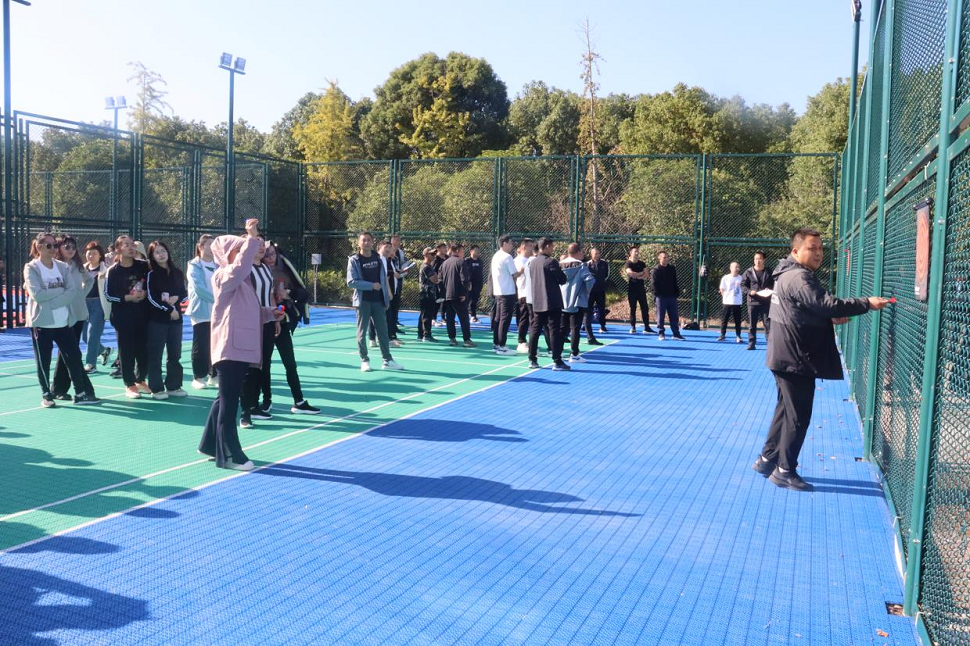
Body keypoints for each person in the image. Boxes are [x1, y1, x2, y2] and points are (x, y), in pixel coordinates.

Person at [752, 227, 891, 491]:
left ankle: (767, 459)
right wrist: (866, 303)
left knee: (785, 410)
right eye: (811, 248)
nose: (818, 253)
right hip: (794, 358)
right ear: (796, 251)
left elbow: (800, 309)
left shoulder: (787, 273)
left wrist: (826, 318)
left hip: (785, 355)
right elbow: (826, 304)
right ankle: (784, 470)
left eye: (820, 248)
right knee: (797, 417)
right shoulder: (799, 276)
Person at [198, 219, 285, 471]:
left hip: (239, 347)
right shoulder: (223, 276)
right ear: (227, 254)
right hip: (229, 347)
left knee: (224, 398)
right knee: (229, 402)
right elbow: (239, 267)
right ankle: (230, 455)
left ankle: (209, 444)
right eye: (238, 249)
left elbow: (249, 310)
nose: (243, 253)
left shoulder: (242, 281)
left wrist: (269, 313)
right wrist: (251, 237)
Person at [23, 232, 100, 407]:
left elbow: (72, 291)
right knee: (43, 360)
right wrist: (60, 293)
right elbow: (37, 294)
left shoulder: (62, 267)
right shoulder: (31, 267)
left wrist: (52, 300)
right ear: (39, 247)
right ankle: (46, 394)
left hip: (64, 322)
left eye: (55, 245)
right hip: (42, 322)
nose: (53, 249)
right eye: (49, 245)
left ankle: (80, 394)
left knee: (73, 357)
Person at [262, 241, 320, 415]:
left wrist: (287, 294)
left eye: (273, 254)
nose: (270, 257)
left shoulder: (284, 271)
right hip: (263, 324)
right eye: (266, 254)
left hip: (282, 323)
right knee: (264, 365)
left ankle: (299, 401)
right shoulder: (256, 272)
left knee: (290, 364)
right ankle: (266, 401)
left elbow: (303, 293)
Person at [346, 231, 404, 372]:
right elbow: (351, 282)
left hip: (378, 301)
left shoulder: (378, 258)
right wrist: (370, 286)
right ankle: (364, 360)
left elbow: (383, 278)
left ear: (373, 242)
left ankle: (387, 360)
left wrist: (386, 297)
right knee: (362, 333)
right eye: (363, 240)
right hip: (363, 302)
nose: (366, 242)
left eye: (369, 240)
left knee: (383, 332)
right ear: (359, 243)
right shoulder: (354, 260)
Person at [50, 235, 96, 400]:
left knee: (68, 352)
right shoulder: (53, 266)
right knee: (70, 352)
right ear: (59, 248)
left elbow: (89, 281)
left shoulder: (77, 265)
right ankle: (81, 390)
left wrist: (80, 295)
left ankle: (58, 389)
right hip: (61, 313)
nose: (71, 250)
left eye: (73, 247)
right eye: (67, 246)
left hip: (77, 313)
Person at [104, 235, 151, 399]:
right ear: (118, 249)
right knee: (127, 352)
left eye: (132, 244)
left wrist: (146, 293)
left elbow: (153, 285)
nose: (131, 247)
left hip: (143, 316)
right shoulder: (113, 271)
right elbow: (108, 295)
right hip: (122, 318)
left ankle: (141, 380)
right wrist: (128, 298)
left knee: (144, 351)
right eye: (126, 245)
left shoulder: (143, 266)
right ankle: (130, 384)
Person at [239, 237, 279, 428]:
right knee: (250, 367)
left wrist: (274, 317)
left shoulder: (265, 269)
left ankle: (254, 406)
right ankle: (245, 412)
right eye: (258, 244)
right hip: (250, 323)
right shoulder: (244, 270)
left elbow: (270, 294)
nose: (262, 247)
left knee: (262, 366)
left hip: (266, 321)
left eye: (263, 244)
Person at [146, 240, 188, 400]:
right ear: (152, 257)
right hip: (157, 321)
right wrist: (169, 309)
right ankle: (156, 388)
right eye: (156, 252)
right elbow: (152, 298)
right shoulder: (152, 275)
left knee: (175, 354)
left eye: (163, 251)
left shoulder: (177, 272)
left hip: (176, 321)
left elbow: (184, 293)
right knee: (155, 355)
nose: (161, 254)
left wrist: (177, 298)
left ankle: (173, 386)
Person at [528, 237, 568, 371]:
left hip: (537, 301)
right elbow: (562, 279)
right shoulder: (551, 261)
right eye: (551, 246)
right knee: (554, 330)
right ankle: (557, 361)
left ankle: (532, 359)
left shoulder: (532, 262)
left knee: (535, 330)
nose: (553, 249)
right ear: (546, 246)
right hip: (552, 302)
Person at [187, 234, 219, 389]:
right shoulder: (194, 265)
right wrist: (219, 299)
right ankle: (198, 377)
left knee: (216, 345)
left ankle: (214, 375)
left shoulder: (219, 265)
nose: (213, 248)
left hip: (218, 312)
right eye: (210, 245)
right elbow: (199, 288)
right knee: (201, 345)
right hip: (200, 311)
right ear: (200, 247)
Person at [560, 242, 598, 362]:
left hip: (562, 301)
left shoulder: (560, 264)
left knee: (562, 328)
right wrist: (586, 293)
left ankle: (558, 352)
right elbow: (590, 280)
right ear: (577, 252)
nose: (583, 254)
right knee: (575, 328)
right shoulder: (581, 265)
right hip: (577, 301)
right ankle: (574, 354)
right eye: (581, 251)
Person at [80, 242, 112, 372]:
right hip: (84, 305)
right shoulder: (81, 269)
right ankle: (104, 350)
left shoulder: (106, 270)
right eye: (89, 253)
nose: (91, 256)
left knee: (92, 334)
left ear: (100, 255)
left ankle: (91, 364)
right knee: (85, 337)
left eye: (94, 253)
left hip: (99, 305)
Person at [489, 235, 522, 354]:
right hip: (507, 292)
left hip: (498, 292)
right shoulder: (507, 257)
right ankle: (502, 346)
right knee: (505, 319)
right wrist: (522, 271)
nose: (512, 245)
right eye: (510, 243)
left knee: (498, 319)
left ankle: (496, 344)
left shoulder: (496, 256)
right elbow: (514, 274)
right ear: (504, 243)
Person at [439, 243, 476, 347]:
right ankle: (467, 340)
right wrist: (464, 293)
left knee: (450, 318)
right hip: (458, 296)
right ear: (457, 251)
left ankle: (452, 339)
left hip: (447, 296)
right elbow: (464, 279)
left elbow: (440, 280)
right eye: (463, 251)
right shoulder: (461, 262)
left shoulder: (445, 263)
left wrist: (443, 293)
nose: (463, 253)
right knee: (464, 318)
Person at [369, 240, 403, 348]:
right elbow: (385, 278)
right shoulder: (378, 259)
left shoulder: (385, 259)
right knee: (382, 316)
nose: (388, 249)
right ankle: (382, 339)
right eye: (386, 247)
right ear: (379, 248)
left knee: (378, 316)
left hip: (380, 291)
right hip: (377, 292)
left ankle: (376, 339)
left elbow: (385, 277)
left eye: (390, 247)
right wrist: (388, 292)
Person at [742, 251, 773, 350]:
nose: (757, 261)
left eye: (760, 258)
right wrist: (749, 291)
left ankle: (770, 344)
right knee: (752, 324)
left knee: (768, 324)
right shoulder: (748, 272)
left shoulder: (769, 271)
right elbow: (743, 285)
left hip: (765, 302)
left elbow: (774, 284)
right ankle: (751, 343)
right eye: (756, 259)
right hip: (753, 302)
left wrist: (770, 289)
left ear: (764, 260)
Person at [651, 251, 685, 341]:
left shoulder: (672, 269)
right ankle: (661, 333)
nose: (666, 259)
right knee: (660, 317)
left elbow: (674, 281)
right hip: (661, 298)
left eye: (667, 257)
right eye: (664, 257)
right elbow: (653, 284)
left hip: (672, 297)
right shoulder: (655, 270)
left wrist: (676, 293)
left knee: (674, 316)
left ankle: (676, 334)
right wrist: (657, 295)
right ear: (659, 258)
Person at [624, 247, 654, 334]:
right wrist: (641, 273)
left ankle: (647, 327)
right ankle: (633, 327)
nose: (637, 253)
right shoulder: (628, 263)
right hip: (632, 290)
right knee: (633, 308)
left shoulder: (642, 263)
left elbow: (647, 275)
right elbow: (631, 274)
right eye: (635, 251)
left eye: (637, 251)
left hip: (641, 290)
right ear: (631, 253)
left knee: (645, 308)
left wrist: (638, 276)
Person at [514, 239, 535, 353]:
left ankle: (531, 343)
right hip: (523, 293)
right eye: (530, 246)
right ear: (524, 247)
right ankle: (521, 342)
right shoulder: (518, 260)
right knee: (524, 318)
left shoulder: (532, 259)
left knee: (533, 319)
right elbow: (516, 275)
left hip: (533, 293)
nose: (532, 248)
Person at [417, 247, 440, 342]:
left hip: (429, 294)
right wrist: (435, 275)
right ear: (426, 255)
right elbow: (435, 279)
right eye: (431, 254)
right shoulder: (426, 267)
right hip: (426, 294)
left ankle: (421, 334)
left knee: (424, 314)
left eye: (434, 254)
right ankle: (426, 334)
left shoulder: (429, 266)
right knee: (427, 314)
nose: (434, 256)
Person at [718, 262, 744, 343]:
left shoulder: (741, 278)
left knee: (737, 320)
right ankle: (722, 335)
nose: (736, 269)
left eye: (738, 267)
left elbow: (743, 288)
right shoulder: (725, 278)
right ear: (730, 268)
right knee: (724, 319)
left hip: (737, 302)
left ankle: (738, 336)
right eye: (735, 267)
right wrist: (726, 297)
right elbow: (722, 289)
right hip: (727, 302)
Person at [585, 247, 609, 334]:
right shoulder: (587, 264)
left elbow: (606, 275)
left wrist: (600, 282)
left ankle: (603, 326)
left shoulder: (604, 264)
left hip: (600, 290)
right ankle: (586, 325)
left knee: (601, 308)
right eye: (595, 253)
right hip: (590, 291)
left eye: (598, 253)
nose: (597, 255)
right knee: (588, 309)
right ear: (591, 254)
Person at [465, 245, 485, 323]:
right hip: (469, 285)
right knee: (467, 301)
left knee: (474, 301)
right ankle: (464, 316)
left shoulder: (480, 261)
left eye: (478, 250)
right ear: (471, 251)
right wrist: (467, 283)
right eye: (476, 250)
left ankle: (473, 316)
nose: (477, 252)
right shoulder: (466, 261)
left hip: (478, 285)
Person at [431, 243, 449, 327]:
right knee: (437, 301)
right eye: (443, 248)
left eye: (445, 247)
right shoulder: (436, 259)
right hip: (438, 283)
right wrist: (437, 281)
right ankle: (433, 319)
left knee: (444, 301)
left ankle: (443, 318)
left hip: (445, 283)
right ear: (438, 249)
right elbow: (433, 272)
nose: (445, 249)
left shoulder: (447, 258)